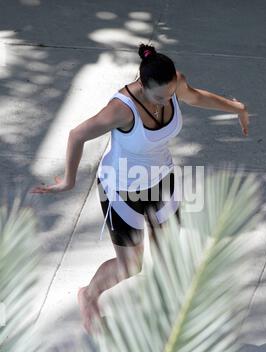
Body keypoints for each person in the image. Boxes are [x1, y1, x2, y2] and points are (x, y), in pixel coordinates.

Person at [31, 43, 249, 333]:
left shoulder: (173, 83)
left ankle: (170, 322)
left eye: (171, 95)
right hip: (122, 190)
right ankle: (89, 294)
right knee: (131, 266)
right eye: (160, 96)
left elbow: (194, 97)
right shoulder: (121, 110)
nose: (166, 101)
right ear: (143, 86)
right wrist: (69, 181)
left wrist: (236, 107)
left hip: (162, 180)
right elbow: (77, 135)